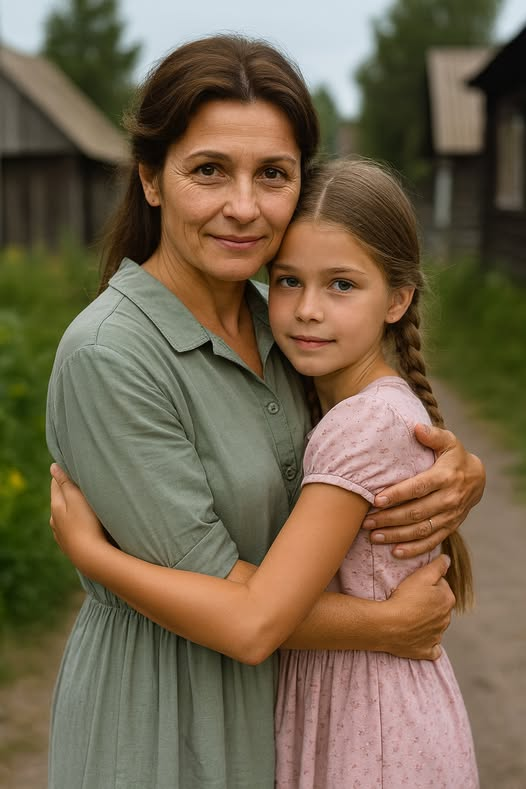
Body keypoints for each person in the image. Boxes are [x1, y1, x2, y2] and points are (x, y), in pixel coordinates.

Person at [46, 34, 484, 789]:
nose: (243, 206)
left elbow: (370, 436)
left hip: (288, 717)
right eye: (209, 170)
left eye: (273, 174)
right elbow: (238, 609)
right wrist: (384, 623)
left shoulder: (284, 321)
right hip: (165, 721)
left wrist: (459, 470)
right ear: (150, 178)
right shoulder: (110, 356)